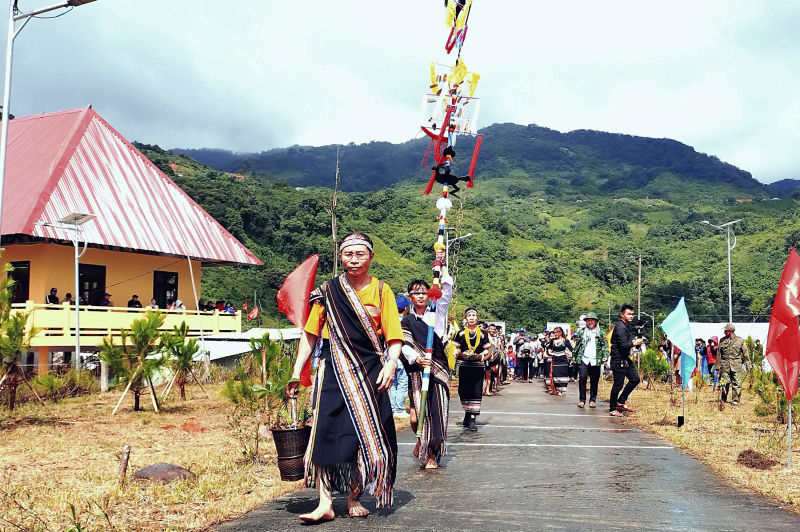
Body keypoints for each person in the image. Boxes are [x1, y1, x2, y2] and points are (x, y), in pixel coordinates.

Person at [285, 233, 402, 521]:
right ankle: (324, 503)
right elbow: (310, 334)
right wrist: (296, 370)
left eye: (360, 254)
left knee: (363, 435)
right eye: (348, 254)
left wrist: (391, 364)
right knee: (325, 433)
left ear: (371, 257)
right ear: (341, 257)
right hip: (333, 370)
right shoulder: (328, 291)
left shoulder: (381, 290)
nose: (353, 259)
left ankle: (353, 497)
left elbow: (394, 335)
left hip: (370, 371)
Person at [401, 273, 452, 469]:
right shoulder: (406, 321)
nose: (421, 295)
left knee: (436, 414)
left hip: (437, 370)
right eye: (416, 292)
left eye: (424, 292)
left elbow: (446, 293)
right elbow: (404, 344)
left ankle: (432, 454)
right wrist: (416, 357)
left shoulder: (435, 314)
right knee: (416, 417)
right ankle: (420, 439)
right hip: (417, 370)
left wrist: (441, 266)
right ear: (410, 296)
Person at [454, 308, 493, 431]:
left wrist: (484, 354)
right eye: (469, 315)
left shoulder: (483, 333)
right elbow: (457, 348)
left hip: (477, 365)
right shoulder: (460, 333)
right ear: (466, 318)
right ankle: (467, 413)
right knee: (464, 391)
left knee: (476, 392)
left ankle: (472, 419)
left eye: (473, 315)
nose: (471, 317)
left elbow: (487, 349)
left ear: (477, 318)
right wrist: (457, 353)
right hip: (465, 365)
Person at [609, 304, 643, 417]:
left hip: (625, 358)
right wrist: (634, 343)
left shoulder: (625, 326)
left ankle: (621, 401)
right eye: (628, 314)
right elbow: (623, 345)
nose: (631, 316)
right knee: (617, 385)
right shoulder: (620, 327)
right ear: (622, 314)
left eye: (632, 314)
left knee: (635, 378)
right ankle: (612, 408)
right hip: (618, 358)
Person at [571, 312, 609, 408]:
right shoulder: (582, 332)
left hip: (595, 359)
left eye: (592, 320)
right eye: (588, 320)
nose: (590, 322)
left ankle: (592, 400)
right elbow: (577, 346)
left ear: (596, 321)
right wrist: (574, 357)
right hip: (584, 358)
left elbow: (604, 345)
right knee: (582, 378)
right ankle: (582, 399)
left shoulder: (600, 332)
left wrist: (605, 355)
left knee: (594, 380)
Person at [717, 323, 752, 406]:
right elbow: (719, 354)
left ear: (730, 331)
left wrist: (748, 364)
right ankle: (723, 399)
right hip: (725, 365)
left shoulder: (740, 341)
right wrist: (718, 366)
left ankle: (735, 400)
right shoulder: (722, 340)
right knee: (724, 383)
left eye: (725, 331)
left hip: (736, 365)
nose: (724, 332)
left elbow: (745, 353)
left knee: (737, 384)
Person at [391, 295, 412, 418]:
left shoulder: (391, 320)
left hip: (389, 354)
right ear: (405, 309)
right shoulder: (404, 322)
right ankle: (399, 409)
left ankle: (393, 407)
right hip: (401, 355)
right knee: (402, 382)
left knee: (393, 383)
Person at [546, 327, 572, 396]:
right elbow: (548, 347)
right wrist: (549, 351)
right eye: (554, 333)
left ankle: (561, 390)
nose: (555, 334)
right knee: (555, 375)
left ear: (560, 333)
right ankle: (556, 389)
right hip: (555, 360)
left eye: (557, 333)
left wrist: (571, 355)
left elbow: (571, 349)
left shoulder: (565, 341)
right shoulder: (552, 341)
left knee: (562, 375)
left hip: (563, 361)